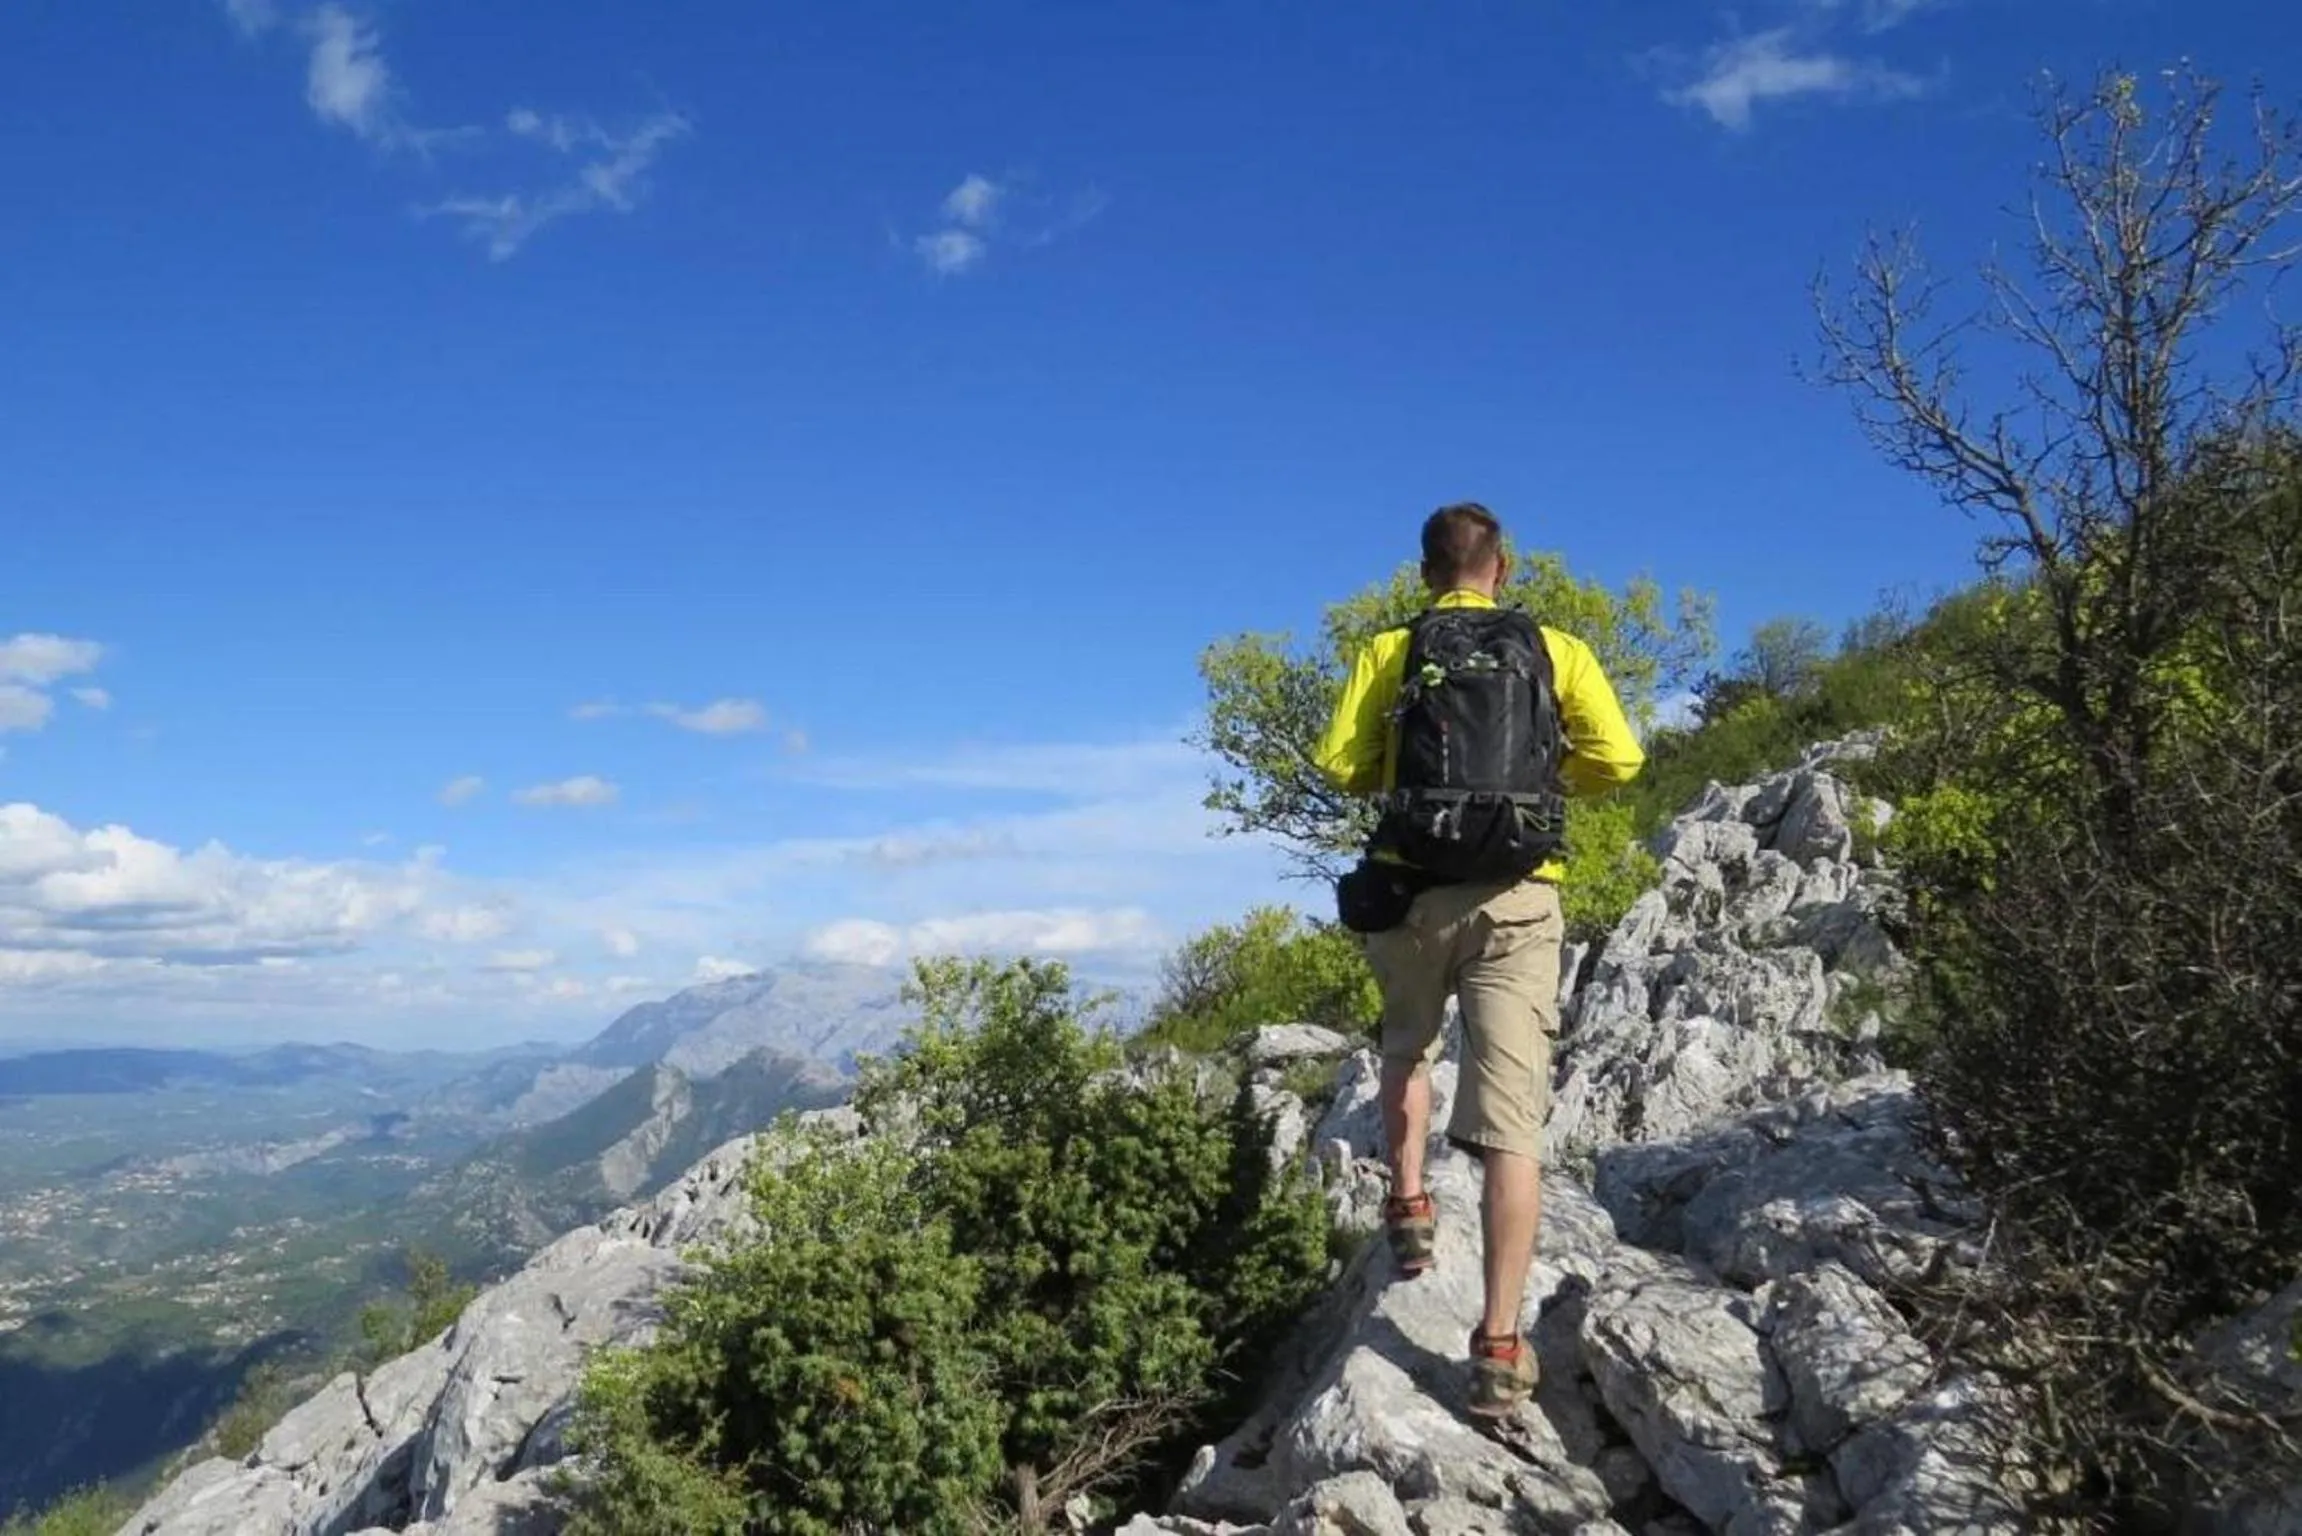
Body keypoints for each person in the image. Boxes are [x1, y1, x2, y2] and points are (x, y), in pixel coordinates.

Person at [1313, 502, 1645, 1418]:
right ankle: (1499, 1347)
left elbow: (1339, 763)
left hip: (1411, 891)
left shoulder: (1392, 650)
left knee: (1407, 1049)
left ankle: (1410, 1208)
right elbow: (1620, 760)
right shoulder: (1556, 650)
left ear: (1426, 573)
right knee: (1511, 1129)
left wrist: (1402, 778)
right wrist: (1541, 783)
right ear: (1503, 570)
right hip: (1519, 897)